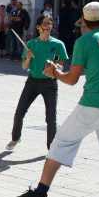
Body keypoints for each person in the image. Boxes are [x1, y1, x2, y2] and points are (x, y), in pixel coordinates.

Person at [15, 2, 99, 197]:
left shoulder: (85, 41)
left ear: (83, 20)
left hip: (92, 104)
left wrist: (54, 72)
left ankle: (41, 192)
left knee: (61, 142)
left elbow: (72, 79)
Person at [6, 15, 68, 151]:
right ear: (38, 27)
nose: (48, 26)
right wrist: (28, 58)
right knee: (19, 112)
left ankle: (51, 148)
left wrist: (54, 66)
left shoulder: (57, 45)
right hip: (32, 82)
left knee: (51, 118)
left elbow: (60, 64)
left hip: (50, 83)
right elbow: (24, 66)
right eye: (45, 24)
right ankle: (15, 138)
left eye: (50, 24)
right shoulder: (31, 44)